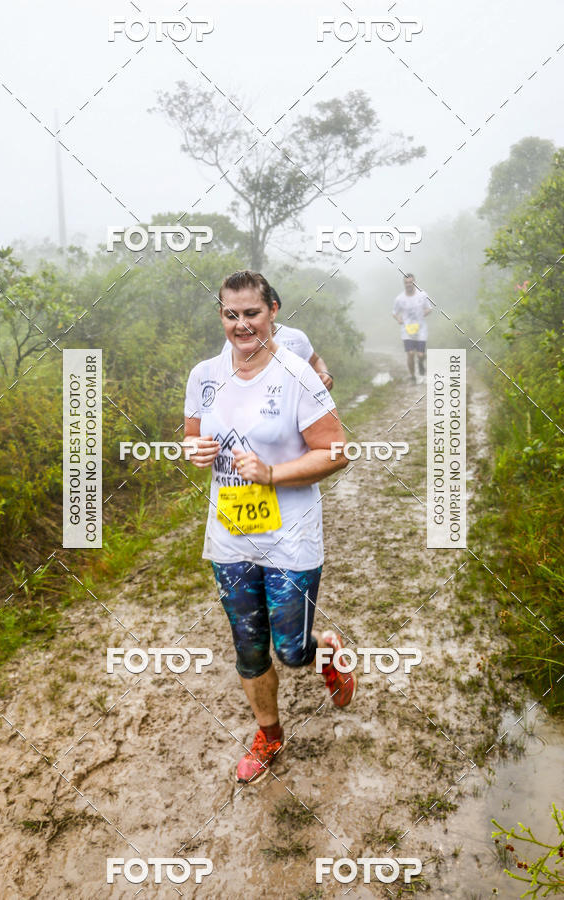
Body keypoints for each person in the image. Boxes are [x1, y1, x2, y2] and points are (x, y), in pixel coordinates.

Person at [183, 270, 356, 785]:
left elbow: (336, 451)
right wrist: (194, 452)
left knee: (291, 651)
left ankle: (325, 647)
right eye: (231, 314)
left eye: (252, 313)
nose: (241, 325)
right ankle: (269, 735)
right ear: (221, 316)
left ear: (273, 310)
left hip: (291, 537)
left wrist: (273, 473)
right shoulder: (204, 376)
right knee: (249, 645)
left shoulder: (296, 372)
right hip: (231, 534)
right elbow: (191, 438)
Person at [221, 286, 334, 390]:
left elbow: (315, 360)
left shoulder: (296, 337)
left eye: (252, 313)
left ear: (273, 310)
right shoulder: (237, 342)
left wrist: (325, 374)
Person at [392, 273, 432, 383]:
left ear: (415, 282)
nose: (409, 284)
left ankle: (421, 362)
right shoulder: (399, 298)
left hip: (420, 329)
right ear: (404, 284)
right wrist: (398, 319)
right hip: (407, 329)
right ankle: (412, 376)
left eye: (411, 282)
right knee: (410, 353)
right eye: (406, 283)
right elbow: (394, 313)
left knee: (420, 354)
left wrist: (422, 314)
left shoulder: (422, 295)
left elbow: (429, 309)